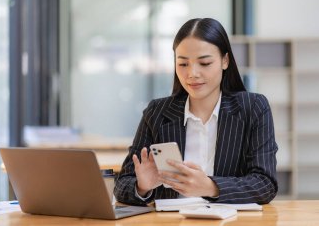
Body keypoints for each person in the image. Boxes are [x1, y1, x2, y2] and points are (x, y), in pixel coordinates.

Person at [114, 18, 278, 206]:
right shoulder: (157, 112)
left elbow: (265, 184)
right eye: (183, 64)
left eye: (205, 63)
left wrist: (210, 186)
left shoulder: (254, 107)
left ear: (225, 61)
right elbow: (122, 185)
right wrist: (142, 187)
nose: (192, 73)